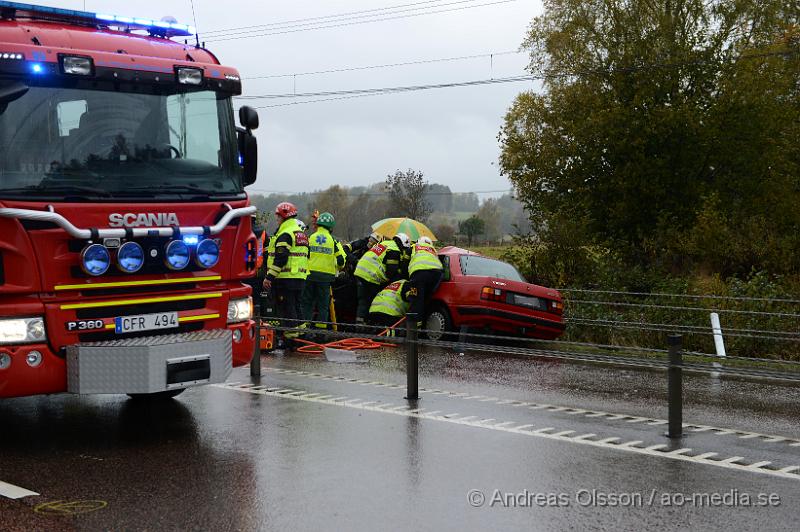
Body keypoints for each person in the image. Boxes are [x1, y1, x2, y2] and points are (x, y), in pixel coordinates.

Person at [263, 202, 309, 346]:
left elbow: (281, 258)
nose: (277, 219)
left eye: (278, 216)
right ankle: (302, 336)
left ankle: (291, 340)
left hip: (286, 278)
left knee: (288, 309)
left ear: (283, 216)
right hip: (300, 277)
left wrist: (269, 277)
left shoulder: (285, 234)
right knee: (296, 307)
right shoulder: (300, 233)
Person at [353, 232, 410, 326]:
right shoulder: (394, 250)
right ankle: (367, 325)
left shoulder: (385, 244)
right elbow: (391, 272)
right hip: (370, 275)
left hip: (360, 271)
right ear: (402, 245)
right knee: (373, 299)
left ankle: (359, 323)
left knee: (363, 299)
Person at [301, 212, 344, 331]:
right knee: (323, 306)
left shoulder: (310, 238)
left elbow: (304, 255)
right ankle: (320, 332)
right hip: (325, 278)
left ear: (318, 225)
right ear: (330, 227)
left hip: (309, 276)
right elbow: (340, 260)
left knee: (307, 303)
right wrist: (339, 268)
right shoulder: (332, 241)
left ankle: (305, 329)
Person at [407, 235, 444, 326]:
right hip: (436, 275)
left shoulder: (414, 247)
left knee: (415, 299)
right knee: (426, 299)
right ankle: (423, 324)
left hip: (418, 275)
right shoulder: (433, 250)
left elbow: (406, 260)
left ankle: (415, 328)